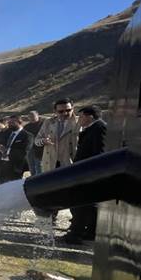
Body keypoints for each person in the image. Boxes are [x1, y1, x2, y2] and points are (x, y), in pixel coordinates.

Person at [63, 106, 107, 244]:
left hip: (89, 174)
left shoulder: (100, 128)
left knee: (80, 203)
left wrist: (90, 173)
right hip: (86, 172)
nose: (79, 119)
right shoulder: (92, 128)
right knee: (90, 205)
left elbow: (98, 154)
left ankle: (76, 234)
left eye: (81, 116)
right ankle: (90, 232)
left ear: (90, 117)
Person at [35, 99, 79, 173]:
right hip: (50, 164)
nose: (65, 113)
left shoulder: (79, 122)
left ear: (73, 109)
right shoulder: (48, 123)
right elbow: (36, 141)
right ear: (55, 111)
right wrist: (44, 141)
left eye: (68, 110)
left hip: (69, 163)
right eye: (61, 111)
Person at [0, 115, 34, 181]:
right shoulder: (8, 133)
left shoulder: (27, 135)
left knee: (14, 187)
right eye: (9, 122)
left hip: (16, 166)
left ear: (19, 122)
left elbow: (24, 151)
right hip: (4, 164)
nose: (9, 124)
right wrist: (2, 149)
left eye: (12, 122)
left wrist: (7, 151)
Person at [23, 110, 45, 176]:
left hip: (41, 148)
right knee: (31, 166)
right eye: (30, 117)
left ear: (37, 115)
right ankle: (33, 179)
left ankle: (40, 180)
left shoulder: (43, 123)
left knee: (39, 166)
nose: (32, 118)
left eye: (33, 116)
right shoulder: (26, 127)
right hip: (30, 149)